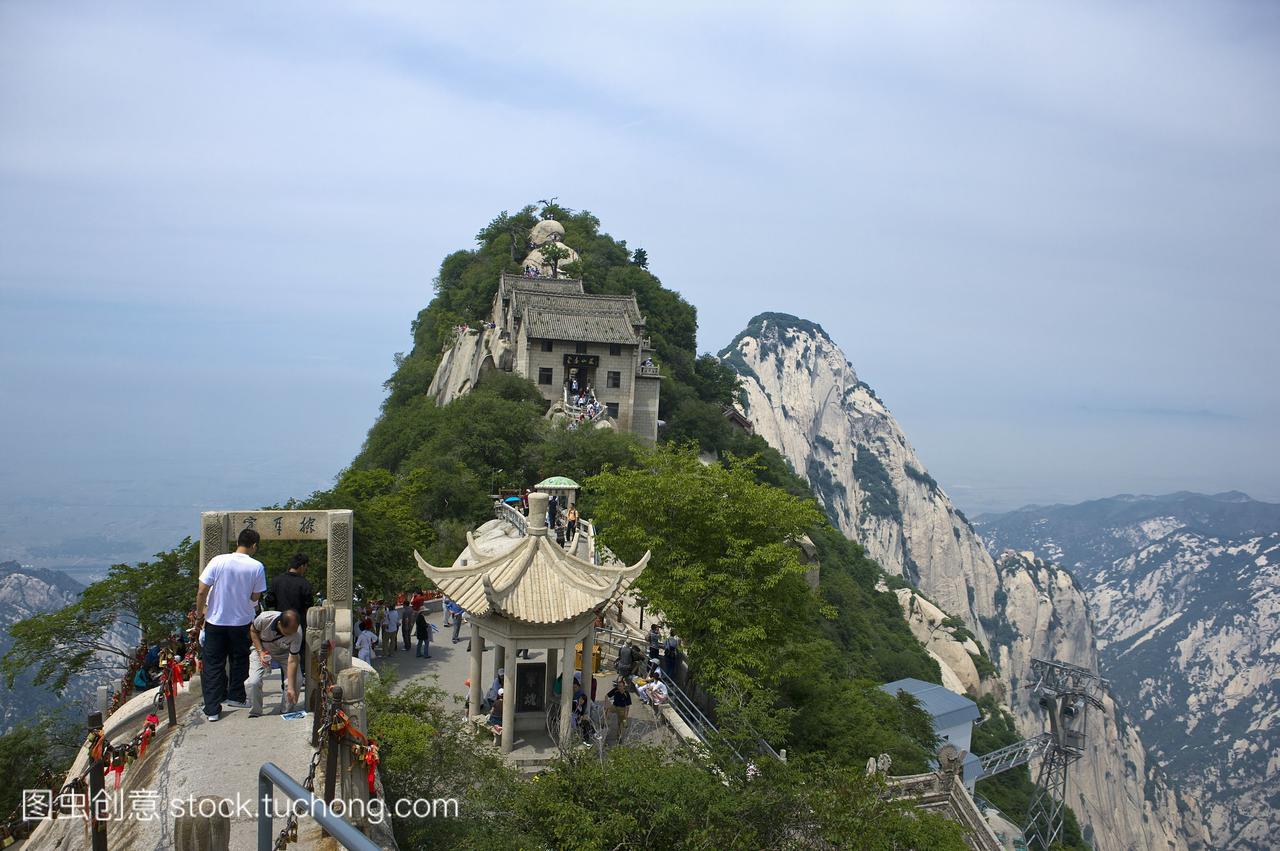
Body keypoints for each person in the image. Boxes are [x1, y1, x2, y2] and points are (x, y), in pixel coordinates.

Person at [196, 527, 267, 722]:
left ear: (238, 542)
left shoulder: (218, 560)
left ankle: (212, 709)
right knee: (239, 659)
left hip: (215, 620)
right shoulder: (256, 566)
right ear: (253, 545)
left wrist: (199, 616)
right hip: (241, 621)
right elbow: (255, 596)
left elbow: (202, 590)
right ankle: (236, 696)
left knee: (213, 664)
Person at [246, 609, 302, 717]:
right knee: (253, 682)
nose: (291, 635)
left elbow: (292, 660)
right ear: (280, 624)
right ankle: (255, 711)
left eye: (293, 632)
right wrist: (261, 651)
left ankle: (287, 710)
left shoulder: (297, 632)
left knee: (297, 680)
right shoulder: (264, 618)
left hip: (285, 653)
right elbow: (253, 631)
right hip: (261, 649)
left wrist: (291, 687)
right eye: (287, 633)